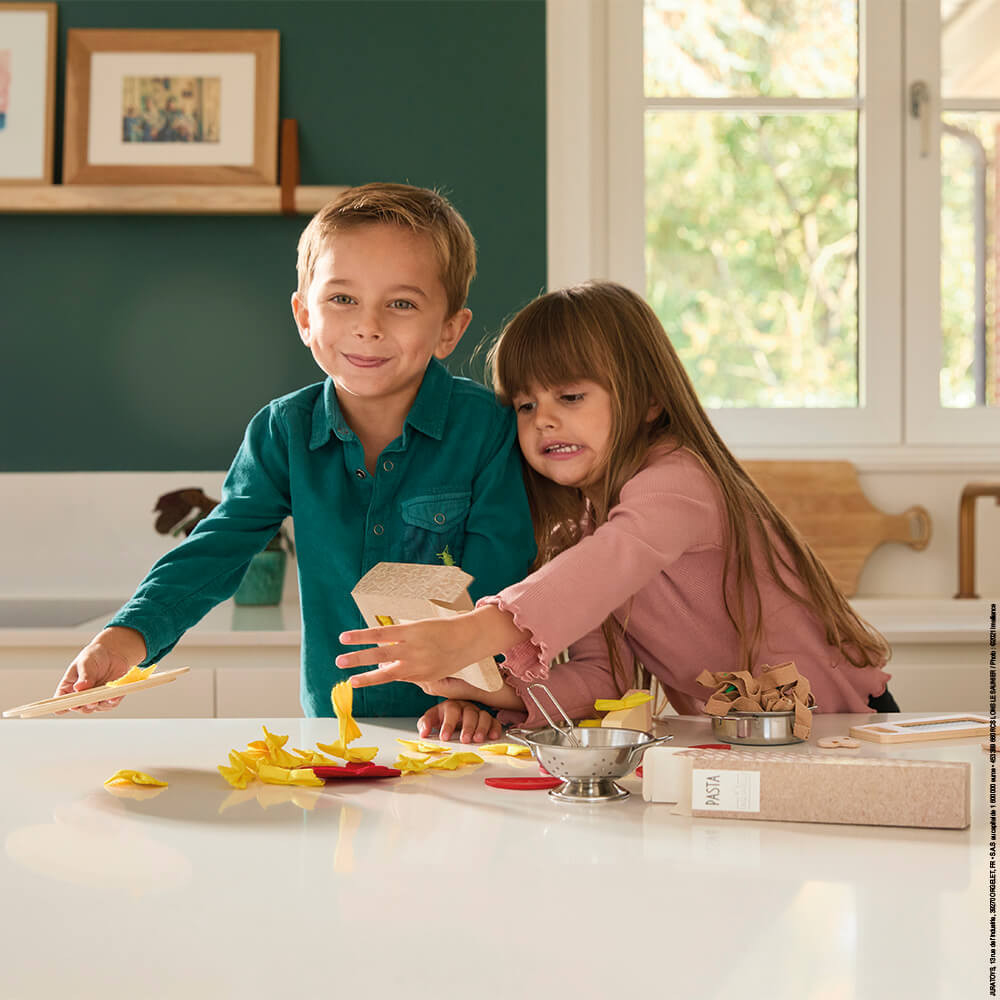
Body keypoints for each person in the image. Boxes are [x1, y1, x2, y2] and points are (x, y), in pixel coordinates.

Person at [336, 280, 897, 742]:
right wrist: (492, 691)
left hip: (841, 725)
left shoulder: (681, 481)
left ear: (648, 399)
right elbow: (603, 679)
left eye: (570, 397)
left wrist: (469, 635)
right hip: (746, 741)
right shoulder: (583, 528)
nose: (543, 419)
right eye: (526, 405)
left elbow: (605, 565)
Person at [54, 182, 536, 718]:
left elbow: (504, 577)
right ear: (305, 317)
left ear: (449, 330)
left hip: (467, 725)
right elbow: (217, 548)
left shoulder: (488, 429)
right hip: (333, 730)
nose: (368, 327)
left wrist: (476, 698)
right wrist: (126, 637)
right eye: (343, 299)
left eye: (401, 303)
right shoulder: (282, 431)